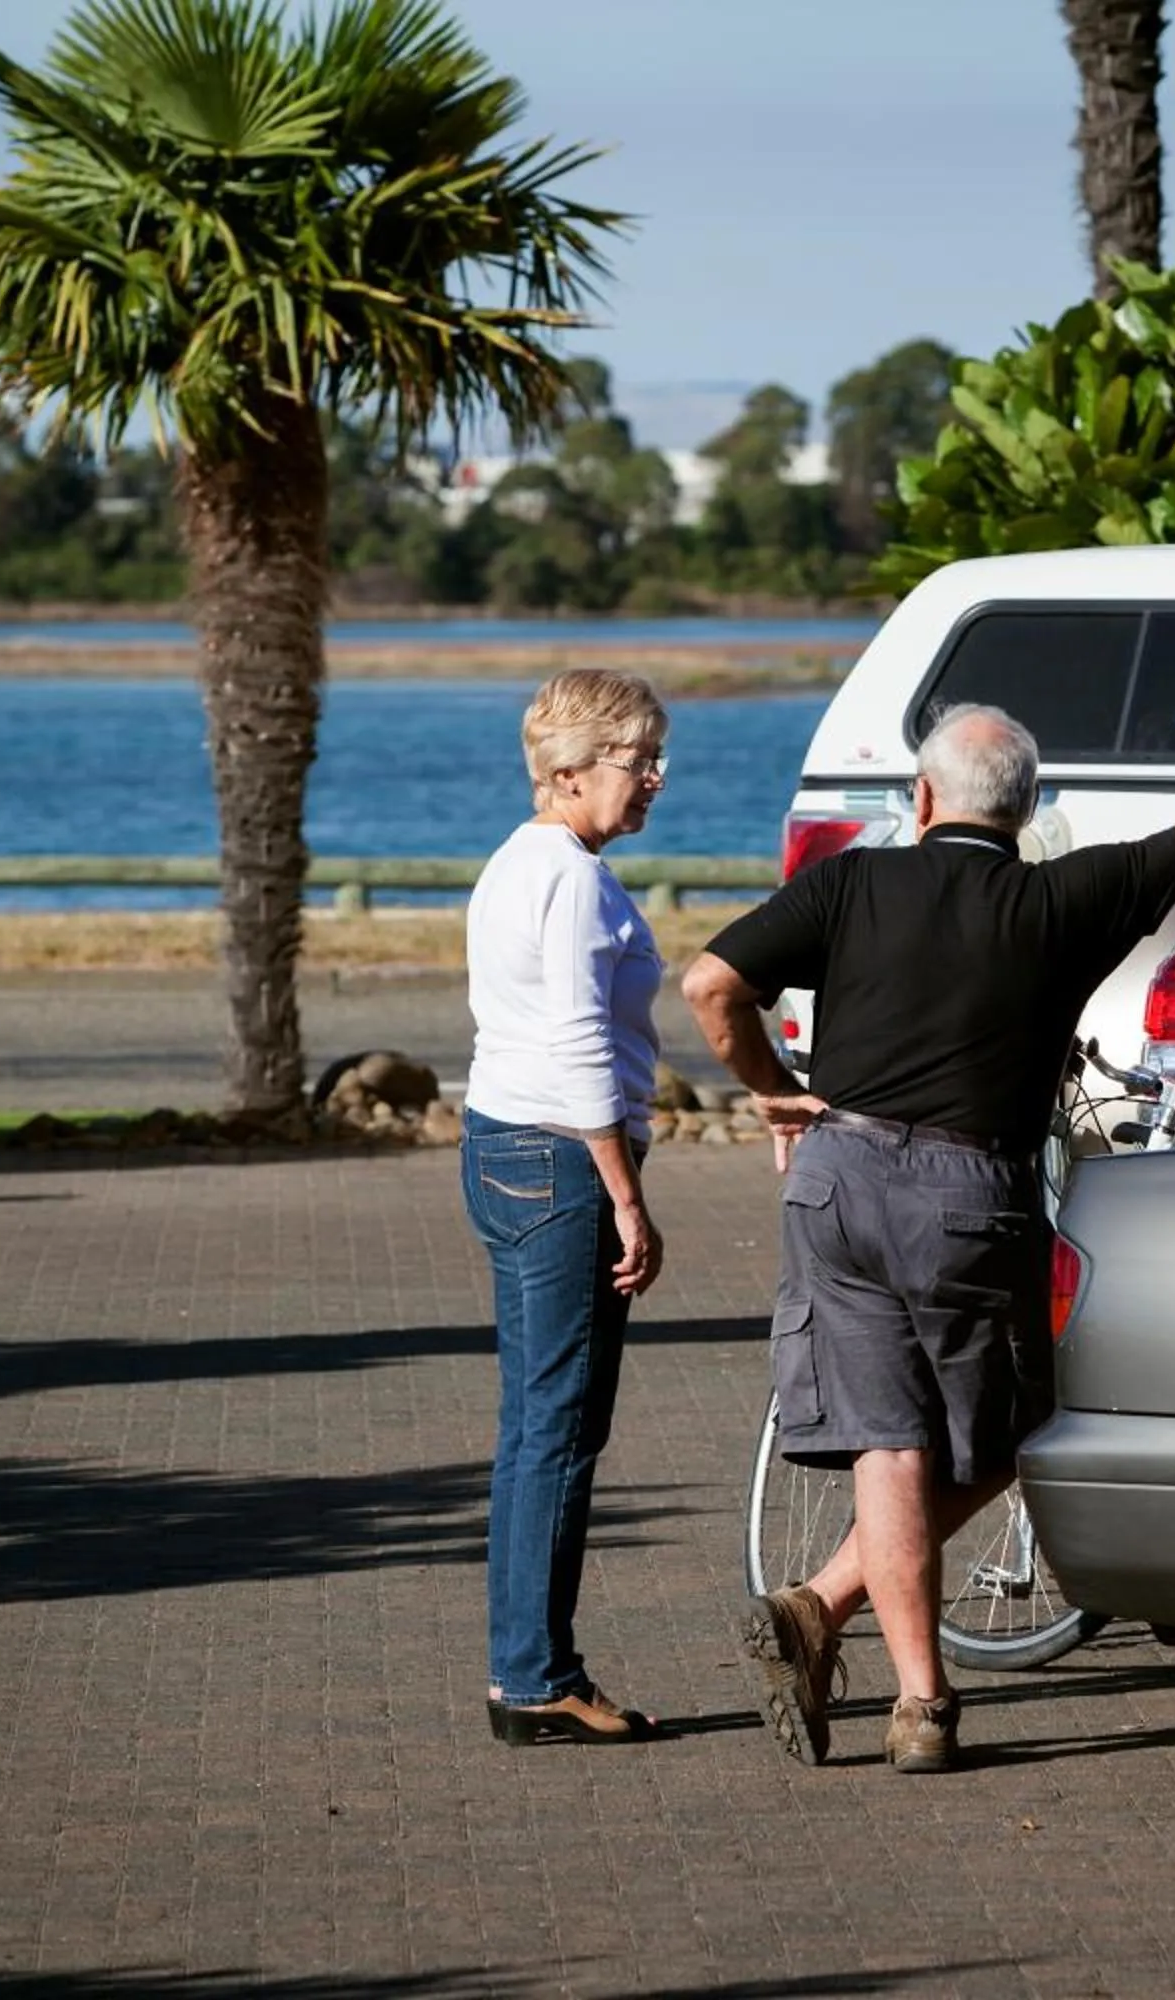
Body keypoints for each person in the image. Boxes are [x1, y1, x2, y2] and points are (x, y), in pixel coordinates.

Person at [682, 665, 1175, 1772]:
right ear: (1025, 809)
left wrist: (774, 1086)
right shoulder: (1066, 898)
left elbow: (711, 984)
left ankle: (865, 1649)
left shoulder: (849, 887)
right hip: (970, 1194)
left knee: (888, 1440)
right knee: (1031, 1418)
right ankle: (888, 1673)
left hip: (839, 1175)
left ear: (921, 799)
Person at [460, 667, 673, 1746]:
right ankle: (537, 1673)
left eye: (653, 760)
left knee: (532, 1424)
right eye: (638, 762)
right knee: (559, 1427)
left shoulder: (516, 862)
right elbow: (580, 1041)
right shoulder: (574, 879)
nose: (654, 780)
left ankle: (525, 1667)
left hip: (503, 1145)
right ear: (568, 771)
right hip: (556, 1161)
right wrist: (625, 1194)